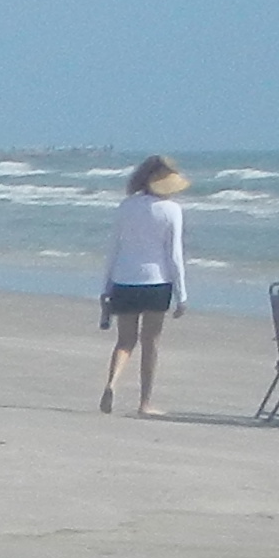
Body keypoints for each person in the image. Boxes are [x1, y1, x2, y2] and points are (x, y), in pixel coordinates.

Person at [97, 156, 188, 413]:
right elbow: (174, 255)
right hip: (157, 283)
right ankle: (144, 402)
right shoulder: (171, 210)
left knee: (125, 341)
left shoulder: (126, 207)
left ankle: (112, 383)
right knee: (151, 343)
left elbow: (114, 248)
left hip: (124, 280)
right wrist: (182, 294)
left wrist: (106, 287)